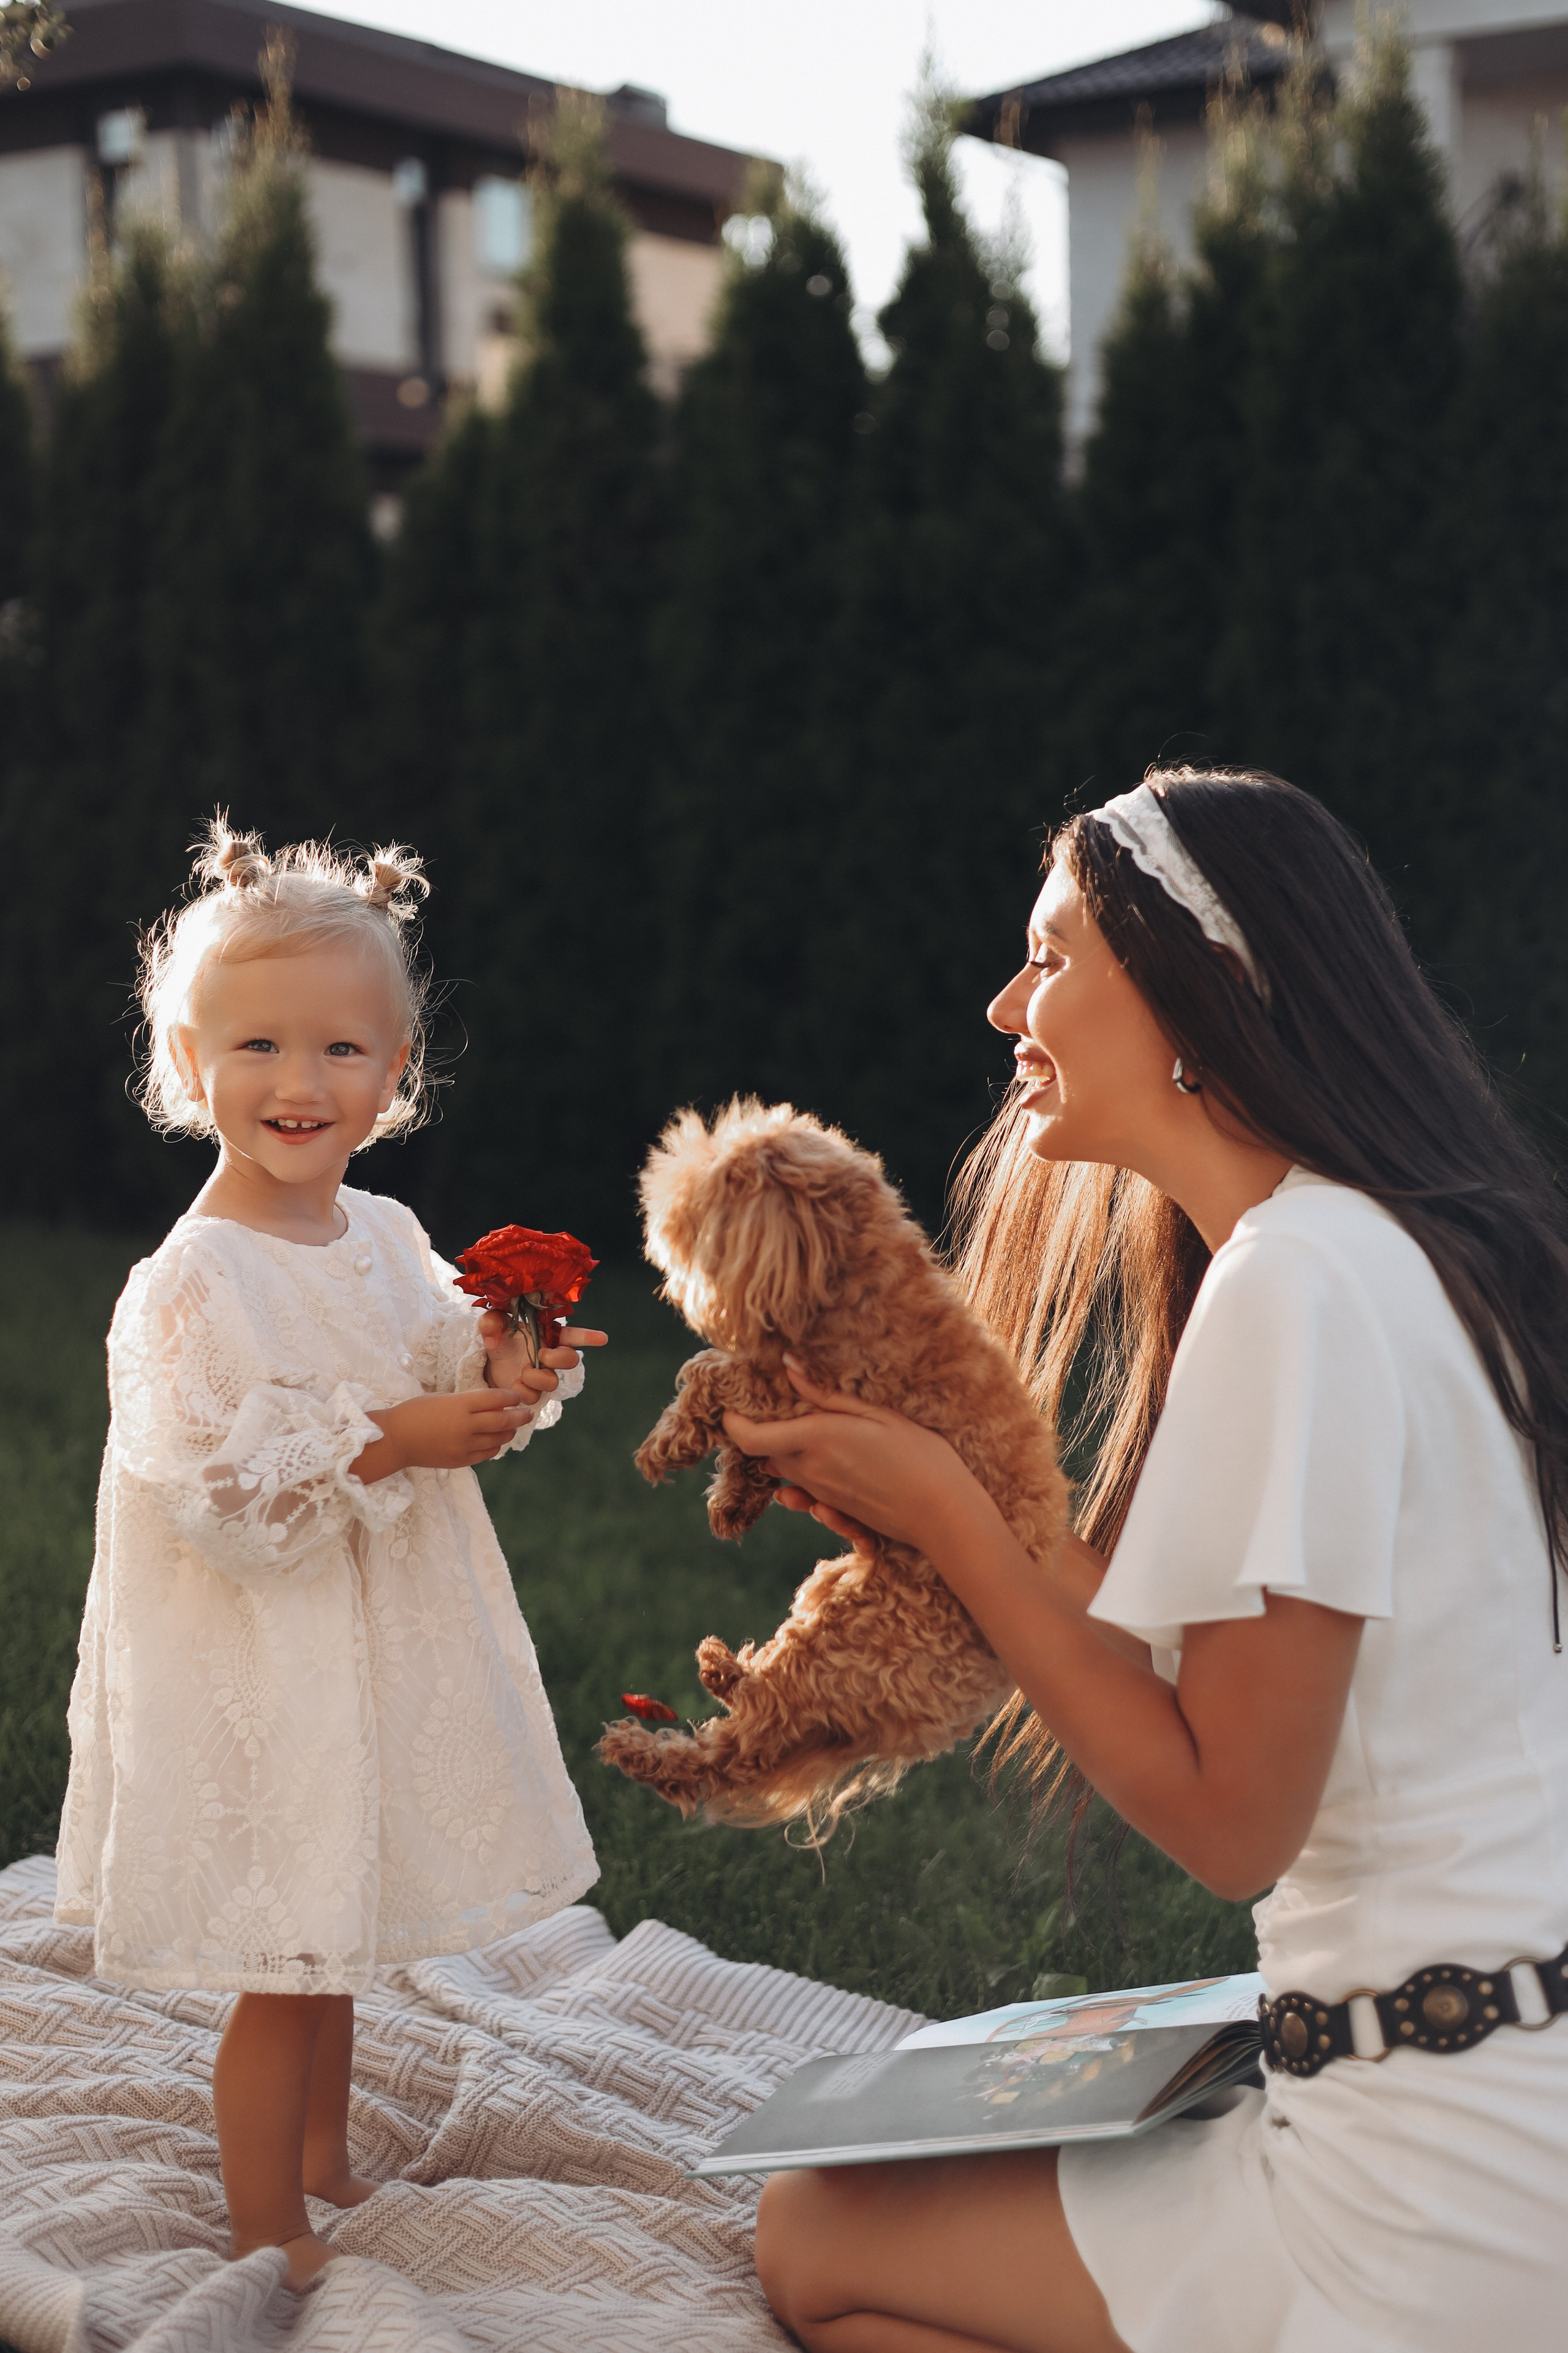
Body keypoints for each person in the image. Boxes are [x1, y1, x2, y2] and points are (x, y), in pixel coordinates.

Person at [733, 769, 1568, 2353]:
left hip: (1427, 2198)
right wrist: (939, 1489)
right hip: (1521, 2113)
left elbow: (1233, 1821)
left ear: (1211, 989)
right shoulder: (1422, 1251)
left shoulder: (1298, 1285)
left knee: (813, 2233)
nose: (1004, 1005)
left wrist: (962, 1532)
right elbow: (1193, 1648)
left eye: (1048, 958)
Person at [54, 821, 605, 2289]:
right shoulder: (189, 1281)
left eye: (343, 1051)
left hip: (367, 1644)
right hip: (262, 1656)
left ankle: (326, 2159)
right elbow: (220, 1490)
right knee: (280, 1962)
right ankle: (266, 2221)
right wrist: (403, 1435)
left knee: (338, 1930)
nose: (301, 1085)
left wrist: (500, 1363)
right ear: (187, 1064)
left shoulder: (384, 1230)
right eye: (258, 1048)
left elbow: (427, 1353)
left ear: (398, 1069)